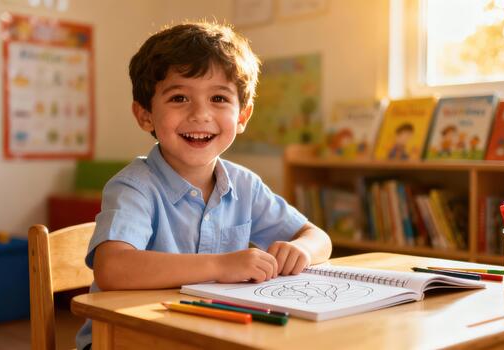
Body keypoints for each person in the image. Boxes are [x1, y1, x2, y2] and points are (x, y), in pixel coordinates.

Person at [76, 21, 332, 349]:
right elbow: (113, 268)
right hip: (123, 339)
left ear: (242, 117)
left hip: (206, 333)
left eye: (219, 98)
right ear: (145, 116)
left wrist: (301, 250)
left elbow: (318, 238)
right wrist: (221, 265)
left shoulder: (245, 185)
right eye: (180, 97)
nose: (201, 114)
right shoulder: (134, 186)